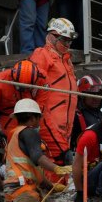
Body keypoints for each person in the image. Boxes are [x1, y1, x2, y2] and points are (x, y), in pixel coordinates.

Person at [28, 18, 79, 180]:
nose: (67, 44)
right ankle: (52, 189)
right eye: (64, 40)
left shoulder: (66, 60)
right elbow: (33, 87)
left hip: (66, 122)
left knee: (64, 157)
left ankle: (60, 188)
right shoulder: (42, 55)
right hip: (49, 119)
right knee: (56, 155)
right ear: (52, 37)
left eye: (69, 41)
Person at [0, 60, 41, 141]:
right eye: (20, 87)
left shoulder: (42, 81)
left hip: (31, 118)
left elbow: (43, 104)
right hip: (7, 118)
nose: (23, 90)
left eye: (26, 88)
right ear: (13, 79)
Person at [70, 75, 102, 150]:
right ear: (82, 95)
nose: (96, 98)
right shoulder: (75, 115)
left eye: (99, 94)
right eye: (92, 95)